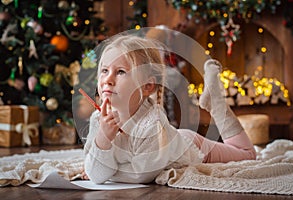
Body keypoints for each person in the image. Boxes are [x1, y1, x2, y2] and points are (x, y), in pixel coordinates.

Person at [83, 34, 256, 184]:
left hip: (191, 147)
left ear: (147, 86)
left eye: (120, 72)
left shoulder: (152, 123)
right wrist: (102, 139)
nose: (108, 79)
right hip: (172, 138)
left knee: (247, 155)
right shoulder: (98, 119)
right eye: (104, 70)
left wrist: (105, 170)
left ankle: (216, 102)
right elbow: (97, 175)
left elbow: (141, 175)